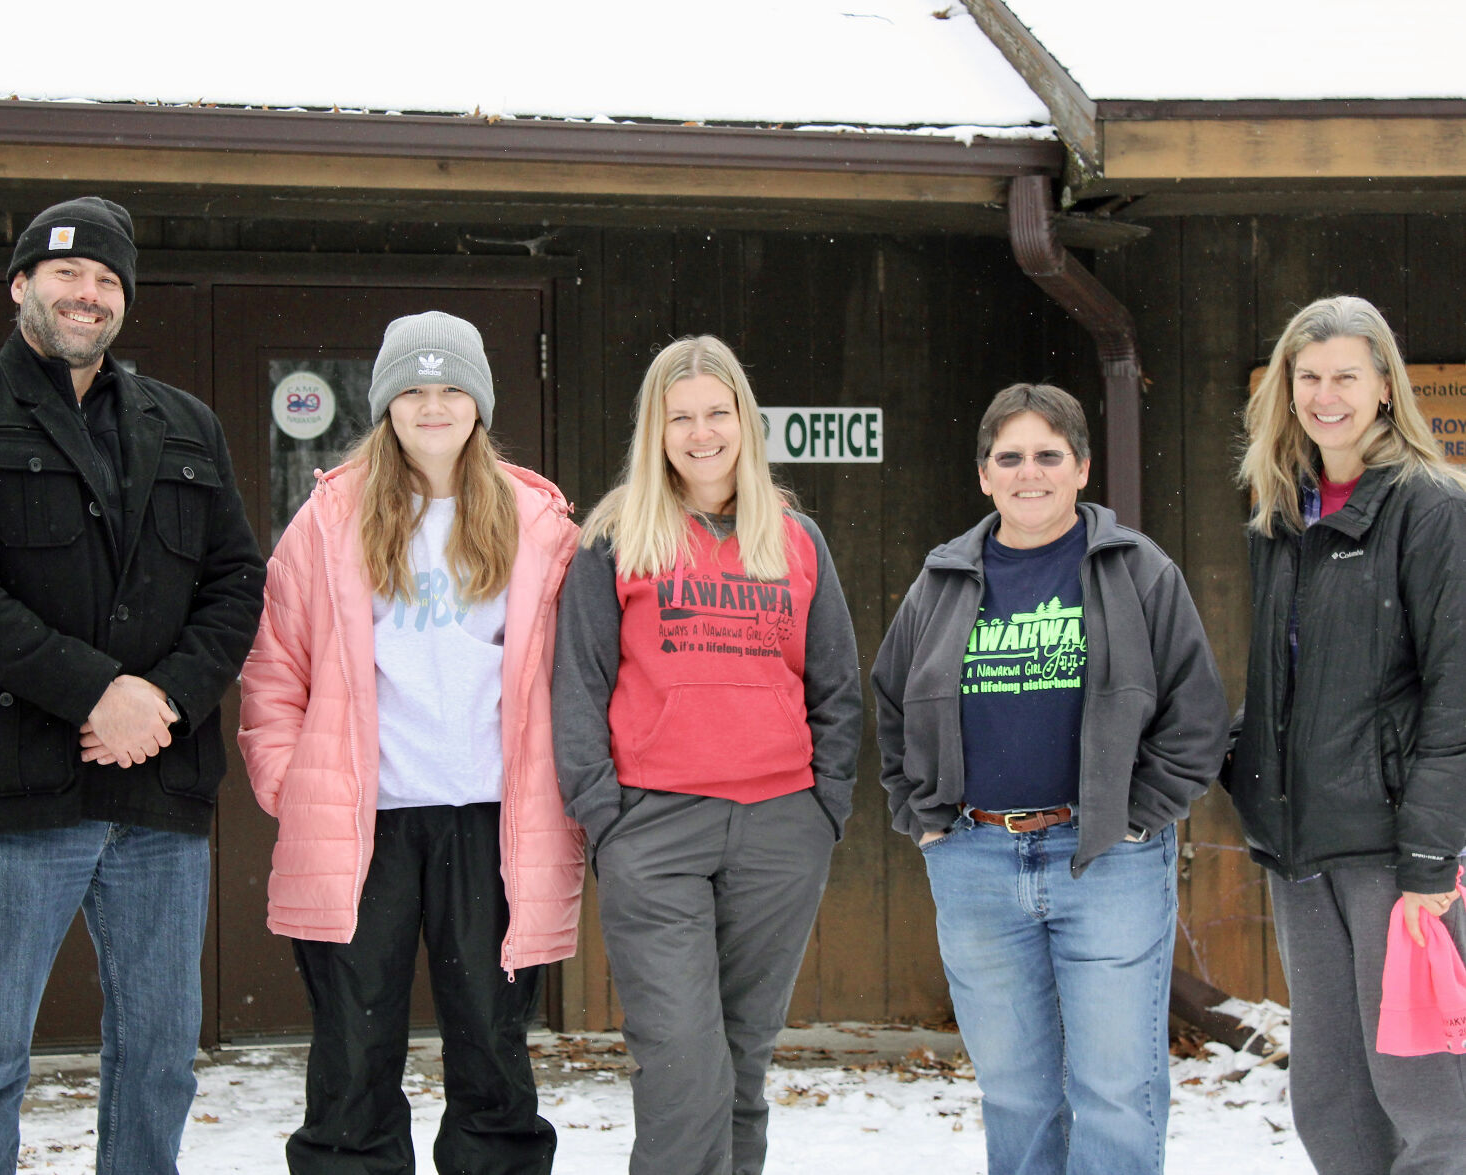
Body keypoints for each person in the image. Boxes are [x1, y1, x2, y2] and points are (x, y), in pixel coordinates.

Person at [0, 196, 265, 1175]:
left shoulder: (184, 423)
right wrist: (100, 691)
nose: (86, 294)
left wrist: (166, 699)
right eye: (65, 274)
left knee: (157, 1056)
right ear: (21, 286)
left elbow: (234, 578)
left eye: (105, 279)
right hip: (19, 792)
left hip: (159, 790)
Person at [239, 310, 583, 1173]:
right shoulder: (327, 521)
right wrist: (294, 782)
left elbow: (581, 673)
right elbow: (272, 670)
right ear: (386, 403)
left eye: (452, 387)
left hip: (495, 822)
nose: (434, 405)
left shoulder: (539, 523)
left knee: (493, 1050)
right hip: (367, 823)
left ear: (480, 403)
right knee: (353, 1055)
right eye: (414, 389)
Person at [872, 383, 1227, 1175]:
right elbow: (891, 702)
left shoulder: (1138, 571)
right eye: (1009, 457)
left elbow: (1196, 716)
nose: (1028, 473)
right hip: (975, 858)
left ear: (1081, 468)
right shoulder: (941, 581)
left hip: (1105, 858)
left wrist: (1136, 817)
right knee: (1014, 1090)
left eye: (1047, 455)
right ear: (983, 475)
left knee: (1114, 1085)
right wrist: (921, 814)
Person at [552, 335, 862, 1175]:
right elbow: (577, 686)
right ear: (655, 428)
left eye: (716, 412)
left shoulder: (795, 540)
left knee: (742, 1060)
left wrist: (822, 807)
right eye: (679, 416)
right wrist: (604, 816)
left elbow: (835, 685)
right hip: (655, 830)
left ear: (744, 422)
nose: (700, 432)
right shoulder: (614, 537)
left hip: (778, 829)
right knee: (683, 1064)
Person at [1229, 295, 1466, 1174]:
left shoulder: (1429, 506)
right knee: (1329, 1093)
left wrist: (1430, 857)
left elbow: (1455, 691)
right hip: (1300, 848)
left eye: (1345, 377)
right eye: (1308, 376)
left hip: (1394, 857)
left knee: (1425, 1093)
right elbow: (1284, 682)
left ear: (1382, 387)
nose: (1325, 395)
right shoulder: (1279, 515)